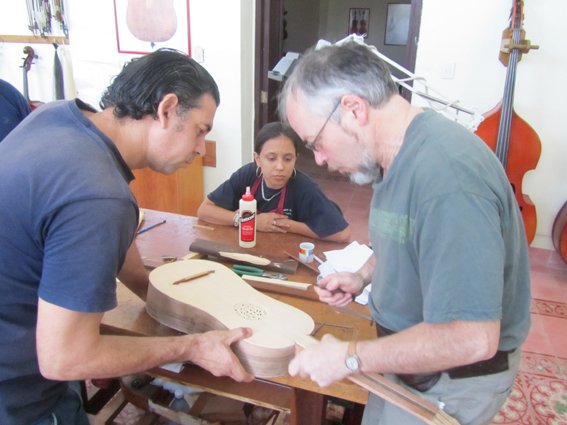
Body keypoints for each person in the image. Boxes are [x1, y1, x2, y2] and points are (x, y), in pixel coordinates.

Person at [278, 41, 531, 425]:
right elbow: (409, 235)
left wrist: (349, 356)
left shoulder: (447, 177)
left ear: (353, 109)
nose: (320, 159)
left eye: (316, 142)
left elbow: (471, 337)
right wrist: (362, 274)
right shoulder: (393, 156)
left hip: (450, 380)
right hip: (408, 361)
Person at [0, 49, 254, 425]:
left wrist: (183, 307)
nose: (202, 149)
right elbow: (64, 358)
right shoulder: (99, 194)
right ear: (167, 109)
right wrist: (193, 346)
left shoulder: (59, 117)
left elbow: (124, 261)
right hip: (17, 391)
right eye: (201, 130)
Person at [197, 121, 351, 242]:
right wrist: (250, 221)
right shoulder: (247, 175)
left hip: (287, 256)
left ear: (296, 159)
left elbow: (342, 234)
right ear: (258, 159)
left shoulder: (304, 188)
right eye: (271, 158)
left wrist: (282, 224)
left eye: (288, 159)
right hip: (248, 248)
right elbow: (204, 210)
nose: (280, 167)